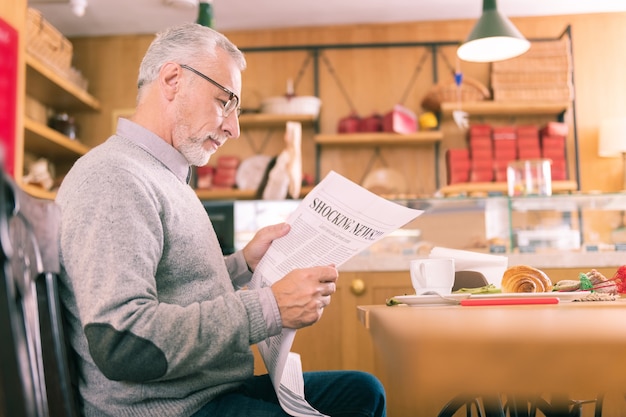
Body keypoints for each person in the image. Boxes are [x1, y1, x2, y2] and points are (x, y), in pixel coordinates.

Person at [56, 22, 387, 417]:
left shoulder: (162, 173)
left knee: (363, 392)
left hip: (205, 388)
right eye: (224, 101)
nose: (234, 127)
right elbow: (124, 342)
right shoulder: (114, 177)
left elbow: (173, 286)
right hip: (171, 407)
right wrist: (268, 309)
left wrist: (243, 264)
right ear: (173, 79)